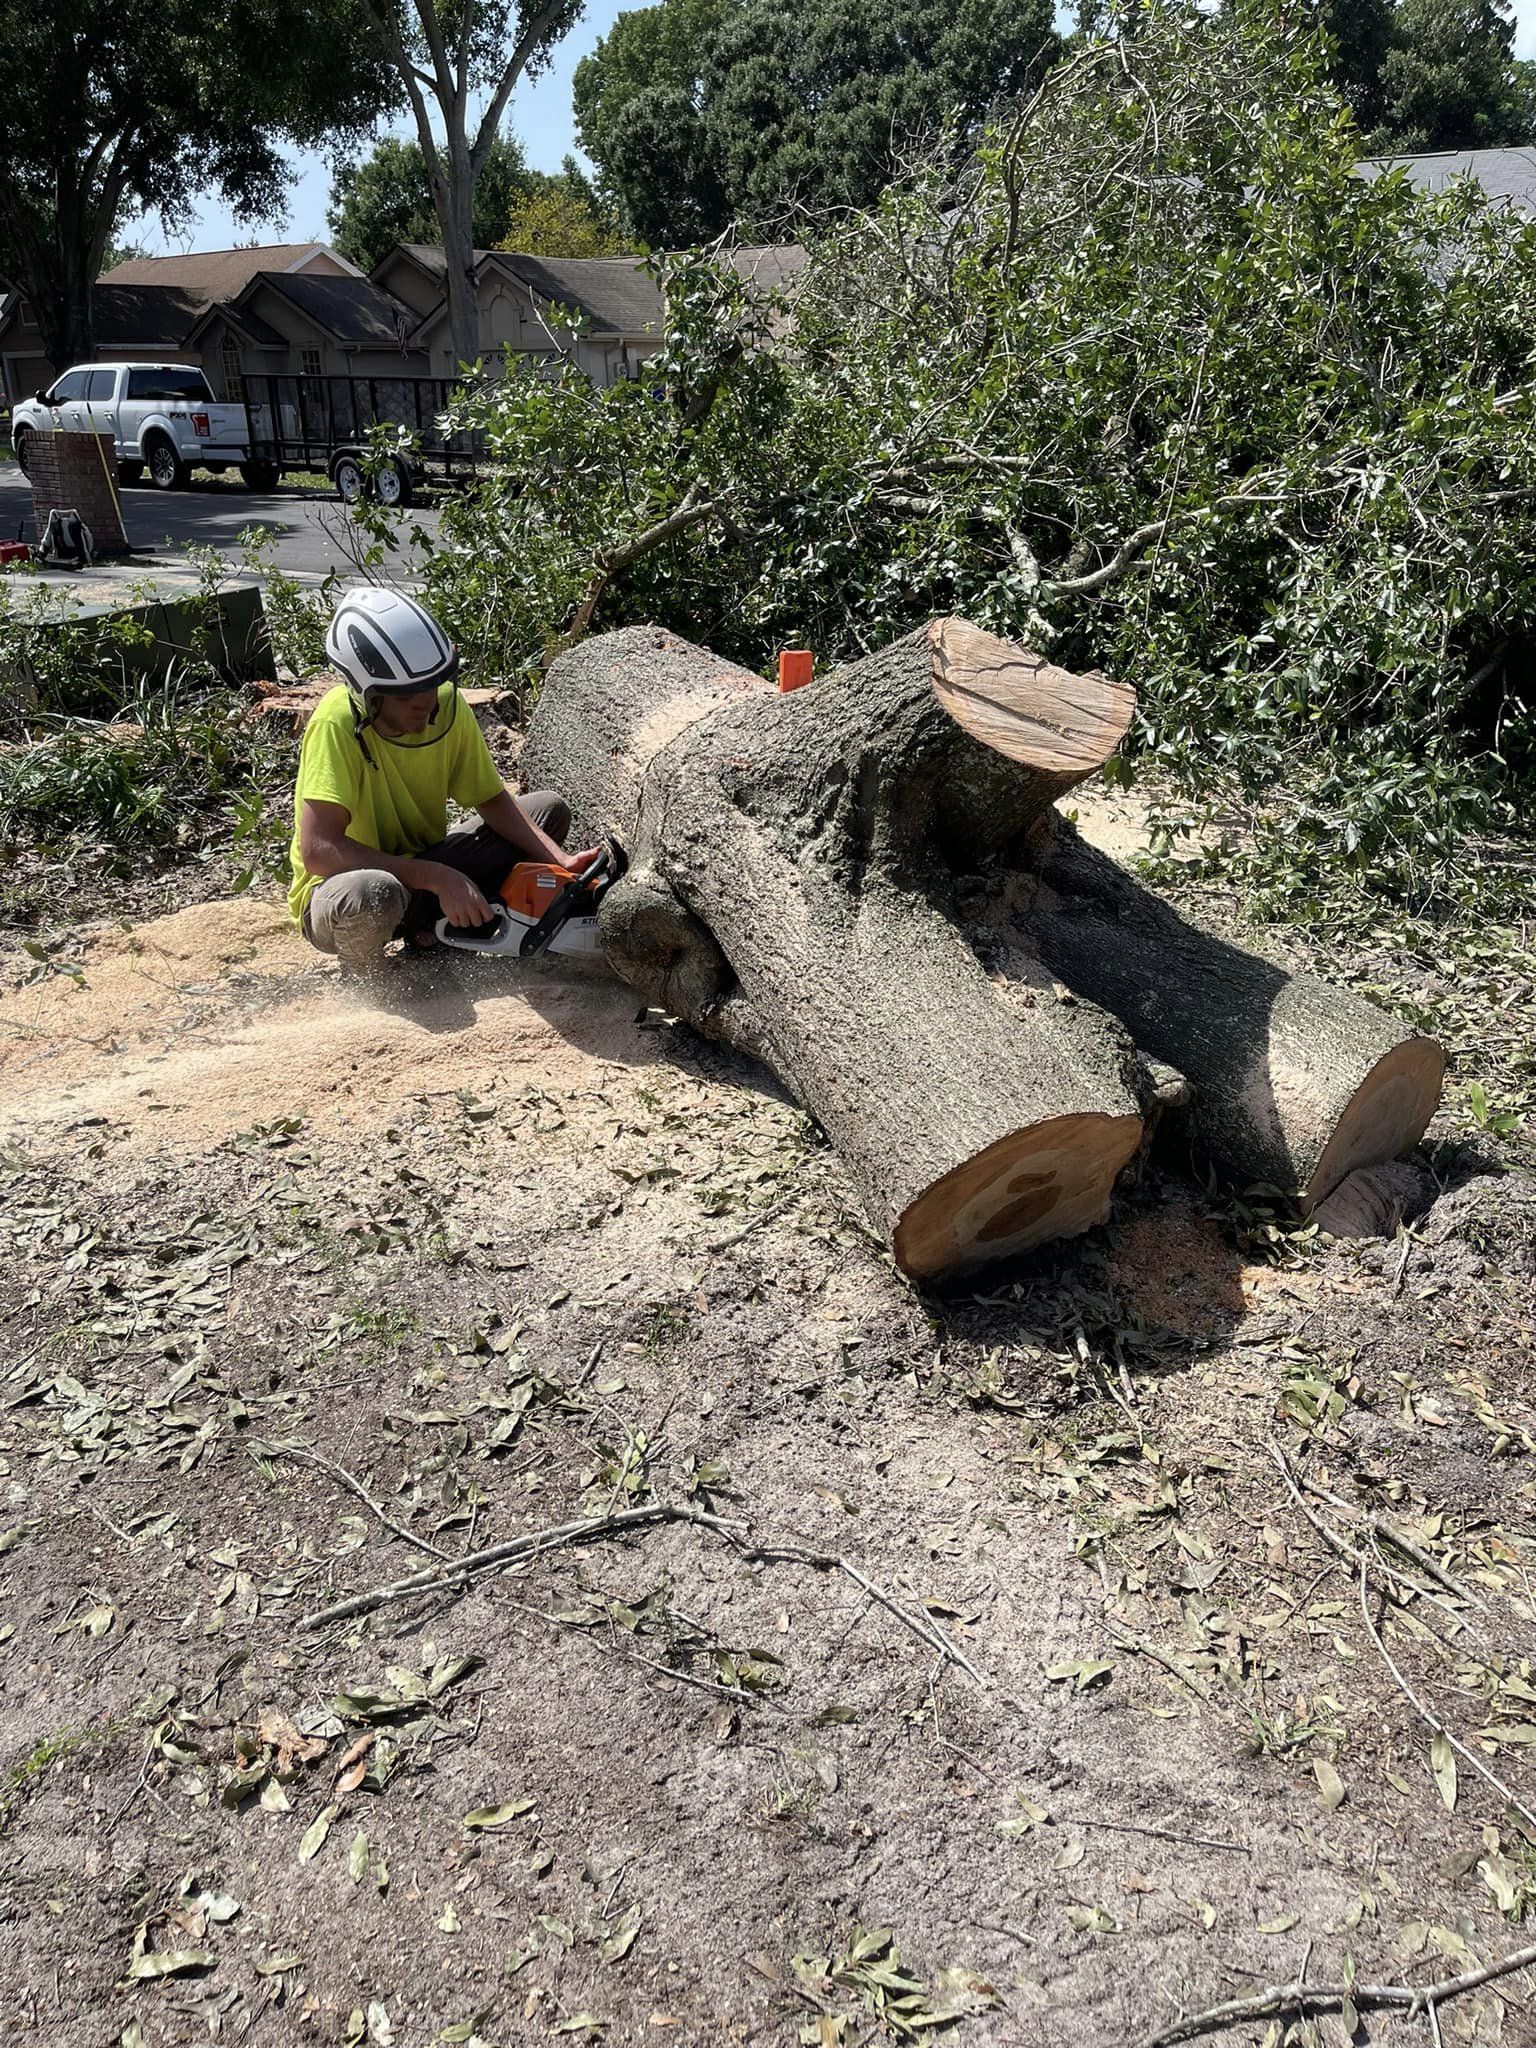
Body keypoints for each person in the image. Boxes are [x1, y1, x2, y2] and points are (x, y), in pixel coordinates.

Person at [287, 587, 595, 975]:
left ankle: (433, 929)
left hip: (423, 871)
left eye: (433, 685)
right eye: (408, 695)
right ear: (368, 695)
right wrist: (435, 876)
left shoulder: (446, 704)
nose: (427, 702)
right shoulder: (337, 723)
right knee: (373, 893)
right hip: (344, 891)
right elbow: (319, 850)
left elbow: (491, 799)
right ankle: (367, 981)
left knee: (547, 810)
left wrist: (562, 861)